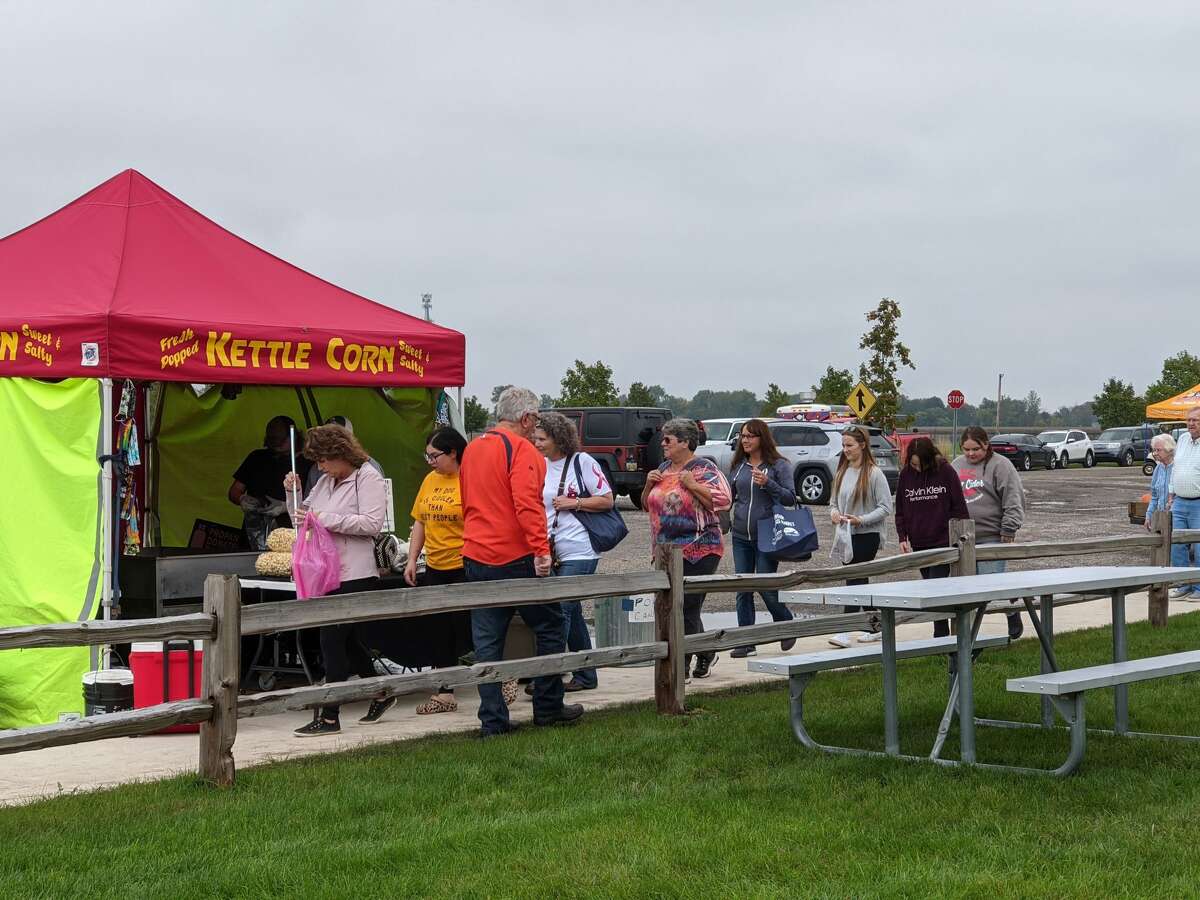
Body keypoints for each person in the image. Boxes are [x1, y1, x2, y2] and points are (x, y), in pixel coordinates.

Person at [459, 387, 583, 737]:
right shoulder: (522, 450)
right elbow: (526, 504)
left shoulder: (474, 448)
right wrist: (541, 551)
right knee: (550, 626)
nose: (536, 426)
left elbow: (467, 500)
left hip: (476, 554)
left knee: (487, 643)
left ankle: (493, 721)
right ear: (526, 418)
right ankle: (547, 706)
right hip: (514, 556)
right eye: (536, 418)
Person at [283, 424, 387, 736]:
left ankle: (330, 716)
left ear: (339, 453)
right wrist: (292, 492)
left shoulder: (368, 477)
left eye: (323, 460)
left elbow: (372, 524)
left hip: (356, 572)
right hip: (327, 572)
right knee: (348, 642)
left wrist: (325, 520)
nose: (320, 467)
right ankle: (383, 692)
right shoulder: (325, 481)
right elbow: (301, 519)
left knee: (332, 641)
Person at [641, 418, 731, 680]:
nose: (663, 443)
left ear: (685, 442)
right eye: (663, 439)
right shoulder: (663, 468)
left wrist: (692, 484)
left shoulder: (704, 468)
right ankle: (705, 652)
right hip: (666, 551)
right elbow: (647, 505)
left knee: (687, 606)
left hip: (700, 547)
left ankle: (685, 661)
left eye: (669, 439)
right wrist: (648, 484)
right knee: (672, 607)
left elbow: (724, 500)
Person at [533, 411, 615, 691]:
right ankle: (586, 674)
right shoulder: (539, 465)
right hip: (551, 547)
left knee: (560, 609)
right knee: (573, 612)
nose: (537, 443)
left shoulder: (583, 462)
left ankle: (549, 677)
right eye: (536, 438)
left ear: (558, 439)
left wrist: (575, 503)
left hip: (580, 548)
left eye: (542, 439)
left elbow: (607, 501)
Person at [400, 427, 473, 715]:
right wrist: (412, 558)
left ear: (453, 452)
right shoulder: (430, 480)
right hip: (435, 565)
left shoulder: (468, 479)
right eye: (427, 456)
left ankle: (500, 676)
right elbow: (420, 521)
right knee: (440, 630)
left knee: (468, 628)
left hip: (464, 564)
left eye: (435, 456)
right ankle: (445, 693)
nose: (430, 461)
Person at [727, 419, 798, 659]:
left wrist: (769, 484)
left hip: (768, 535)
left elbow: (790, 498)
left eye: (750, 436)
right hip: (740, 536)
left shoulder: (779, 465)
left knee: (765, 587)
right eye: (742, 436)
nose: (745, 440)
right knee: (742, 588)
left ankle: (786, 625)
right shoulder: (738, 466)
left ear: (762, 439)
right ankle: (747, 641)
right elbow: (728, 497)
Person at [952, 426, 1026, 639]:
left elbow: (1013, 497)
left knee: (992, 584)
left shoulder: (1001, 465)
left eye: (975, 449)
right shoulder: (956, 465)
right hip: (962, 538)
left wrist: (1009, 527)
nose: (970, 454)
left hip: (992, 535)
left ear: (986, 444)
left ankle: (1011, 609)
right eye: (966, 449)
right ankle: (968, 638)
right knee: (966, 591)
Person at [895, 437, 969, 636]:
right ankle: (943, 633)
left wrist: (961, 537)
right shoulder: (906, 475)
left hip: (943, 541)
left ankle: (941, 635)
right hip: (919, 542)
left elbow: (960, 507)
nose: (917, 468)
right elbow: (900, 509)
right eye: (913, 464)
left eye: (920, 464)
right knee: (930, 587)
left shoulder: (945, 472)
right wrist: (903, 537)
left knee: (935, 587)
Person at [828, 426, 893, 648]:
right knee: (859, 580)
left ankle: (844, 630)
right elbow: (833, 503)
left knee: (853, 578)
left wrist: (861, 519)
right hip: (845, 534)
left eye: (849, 445)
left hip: (867, 534)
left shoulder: (874, 473)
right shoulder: (842, 472)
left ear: (862, 445)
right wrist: (835, 514)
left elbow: (885, 507)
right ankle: (877, 625)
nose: (845, 449)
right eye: (843, 445)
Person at [229, 415, 311, 549]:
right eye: (272, 440)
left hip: (287, 531)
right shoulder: (256, 458)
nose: (277, 445)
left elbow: (316, 503)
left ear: (294, 436)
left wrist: (286, 506)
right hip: (254, 529)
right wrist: (243, 499)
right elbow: (234, 491)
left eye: (281, 440)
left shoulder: (308, 463)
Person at [303, 415, 383, 494]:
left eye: (338, 438)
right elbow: (307, 504)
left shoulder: (369, 470)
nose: (320, 467)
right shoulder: (316, 472)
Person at [1168, 408, 1200, 600]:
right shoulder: (1182, 440)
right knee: (1177, 546)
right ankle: (1183, 585)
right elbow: (1175, 468)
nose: (1191, 424)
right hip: (1179, 502)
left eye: (1195, 420)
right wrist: (1171, 493)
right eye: (1189, 420)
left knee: (1199, 547)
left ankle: (1199, 588)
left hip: (1199, 503)